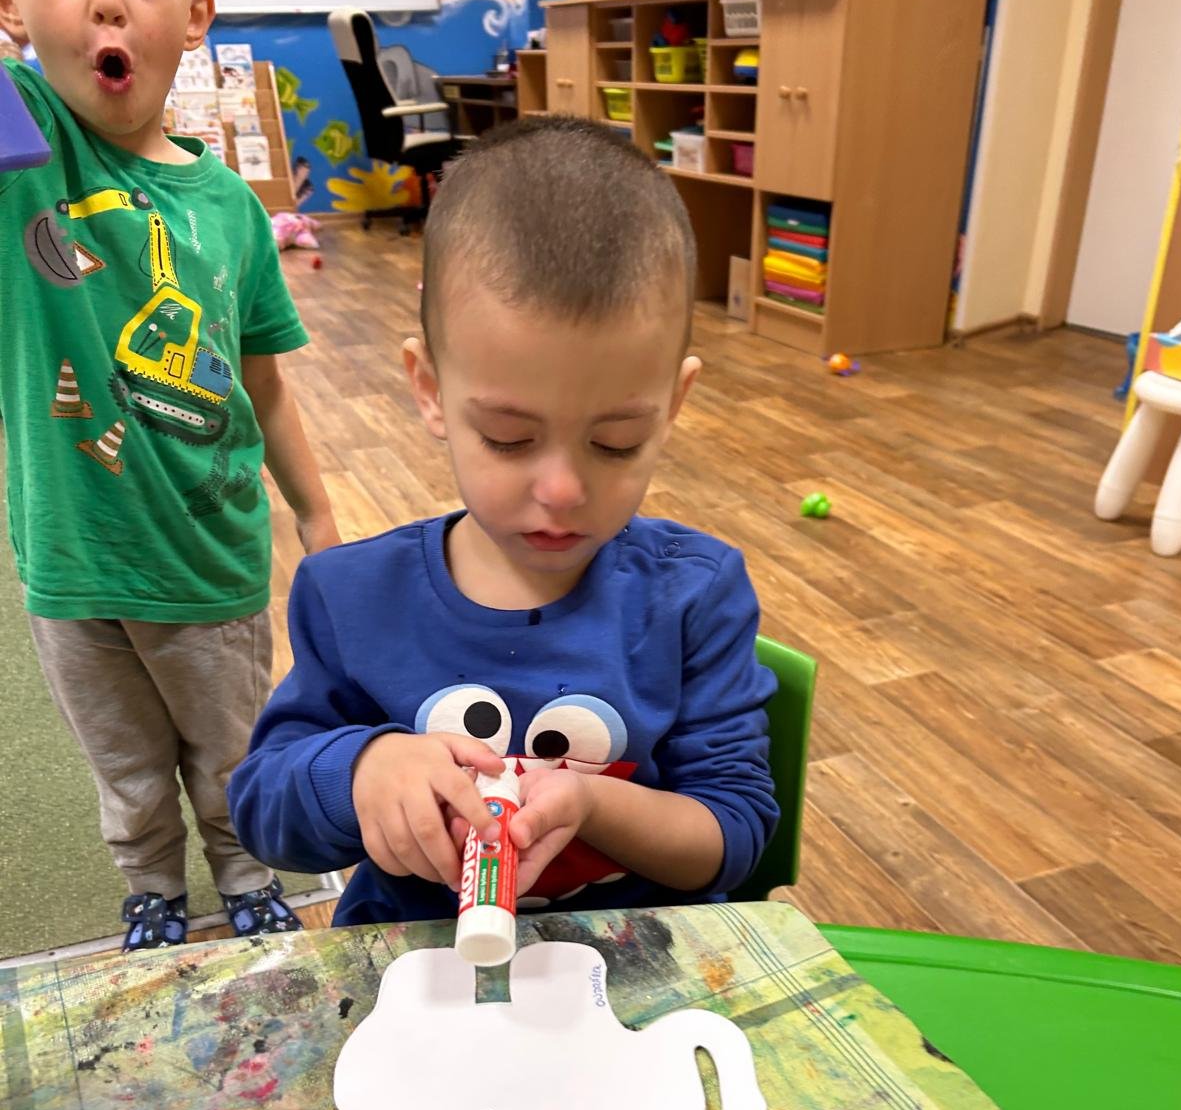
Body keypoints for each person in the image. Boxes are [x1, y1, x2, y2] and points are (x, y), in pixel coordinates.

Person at [230, 117, 778, 927]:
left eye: (615, 442)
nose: (561, 490)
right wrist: (364, 768)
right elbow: (263, 810)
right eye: (508, 438)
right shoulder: (351, 594)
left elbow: (735, 833)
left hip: (630, 959)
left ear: (675, 404)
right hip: (417, 954)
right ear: (429, 390)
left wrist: (592, 804)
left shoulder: (694, 594)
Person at [0, 0, 340, 948]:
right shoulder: (23, 153)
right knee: (125, 762)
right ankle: (150, 883)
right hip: (72, 562)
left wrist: (316, 509)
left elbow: (264, 384)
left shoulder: (230, 209)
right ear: (11, 0)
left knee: (230, 752)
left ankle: (244, 870)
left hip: (207, 562)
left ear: (196, 15)